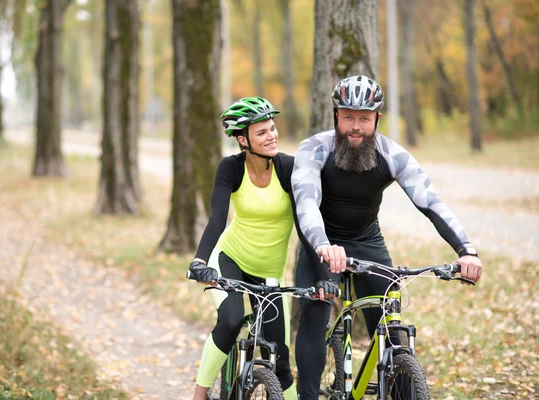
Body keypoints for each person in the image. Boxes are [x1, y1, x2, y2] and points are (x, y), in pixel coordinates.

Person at [291, 75, 483, 399]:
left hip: (367, 241)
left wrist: (466, 249)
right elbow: (306, 203)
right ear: (335, 114)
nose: (355, 126)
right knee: (314, 314)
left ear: (377, 118)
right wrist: (323, 245)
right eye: (348, 116)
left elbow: (430, 201)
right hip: (320, 243)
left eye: (364, 118)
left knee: (391, 326)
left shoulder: (392, 154)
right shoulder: (313, 149)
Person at [188, 97, 298, 399]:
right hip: (230, 259)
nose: (271, 135)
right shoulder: (231, 168)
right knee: (232, 320)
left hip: (271, 273)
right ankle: (198, 395)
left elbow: (305, 225)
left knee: (282, 363)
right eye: (261, 132)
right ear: (242, 139)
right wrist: (199, 261)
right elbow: (216, 219)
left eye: (272, 129)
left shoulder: (288, 168)